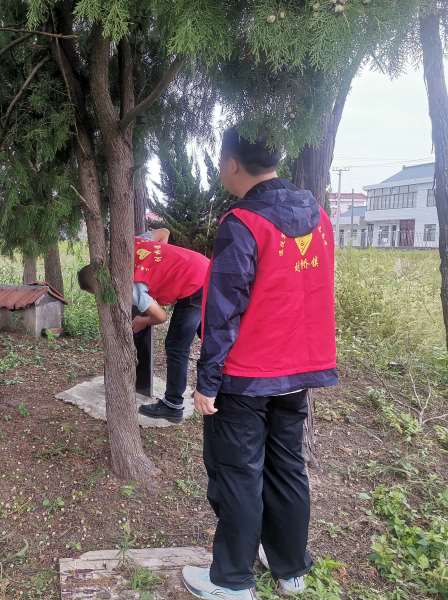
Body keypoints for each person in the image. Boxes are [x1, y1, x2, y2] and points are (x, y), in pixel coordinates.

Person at [181, 128, 337, 599]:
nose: (220, 169)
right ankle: (290, 568)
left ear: (232, 163)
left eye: (220, 161)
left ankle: (231, 581)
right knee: (287, 467)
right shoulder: (319, 216)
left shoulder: (242, 222)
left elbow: (222, 310)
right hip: (299, 371)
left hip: (246, 376)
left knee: (237, 472)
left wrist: (207, 380)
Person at [77, 228, 209, 423]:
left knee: (176, 346)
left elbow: (161, 316)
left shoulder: (130, 286)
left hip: (193, 284)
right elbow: (163, 232)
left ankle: (173, 406)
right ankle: (216, 387)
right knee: (208, 335)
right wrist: (162, 269)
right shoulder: (128, 247)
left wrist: (144, 320)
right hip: (206, 267)